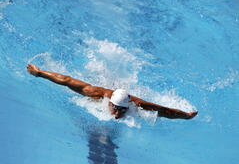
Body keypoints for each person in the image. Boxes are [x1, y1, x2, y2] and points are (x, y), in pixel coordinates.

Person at [27, 63, 198, 121]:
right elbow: (66, 80)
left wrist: (186, 116)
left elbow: (165, 111)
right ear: (109, 102)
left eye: (122, 110)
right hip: (104, 91)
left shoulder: (136, 104)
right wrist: (40, 73)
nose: (117, 115)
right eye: (115, 108)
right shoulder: (95, 94)